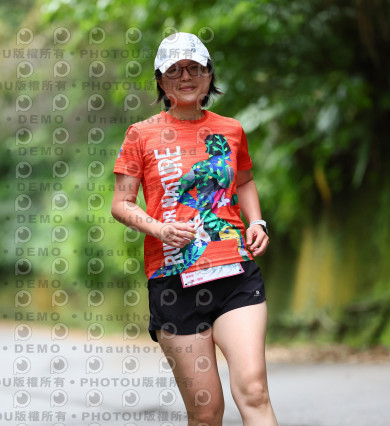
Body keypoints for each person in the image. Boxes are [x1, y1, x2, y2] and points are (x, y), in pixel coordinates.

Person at [111, 32, 278, 426]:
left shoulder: (231, 129)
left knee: (254, 390)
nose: (185, 76)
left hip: (235, 271)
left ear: (209, 75)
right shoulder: (141, 134)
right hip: (174, 282)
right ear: (160, 80)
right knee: (206, 412)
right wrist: (158, 228)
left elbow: (244, 180)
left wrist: (256, 221)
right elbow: (121, 203)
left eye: (194, 68)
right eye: (174, 70)